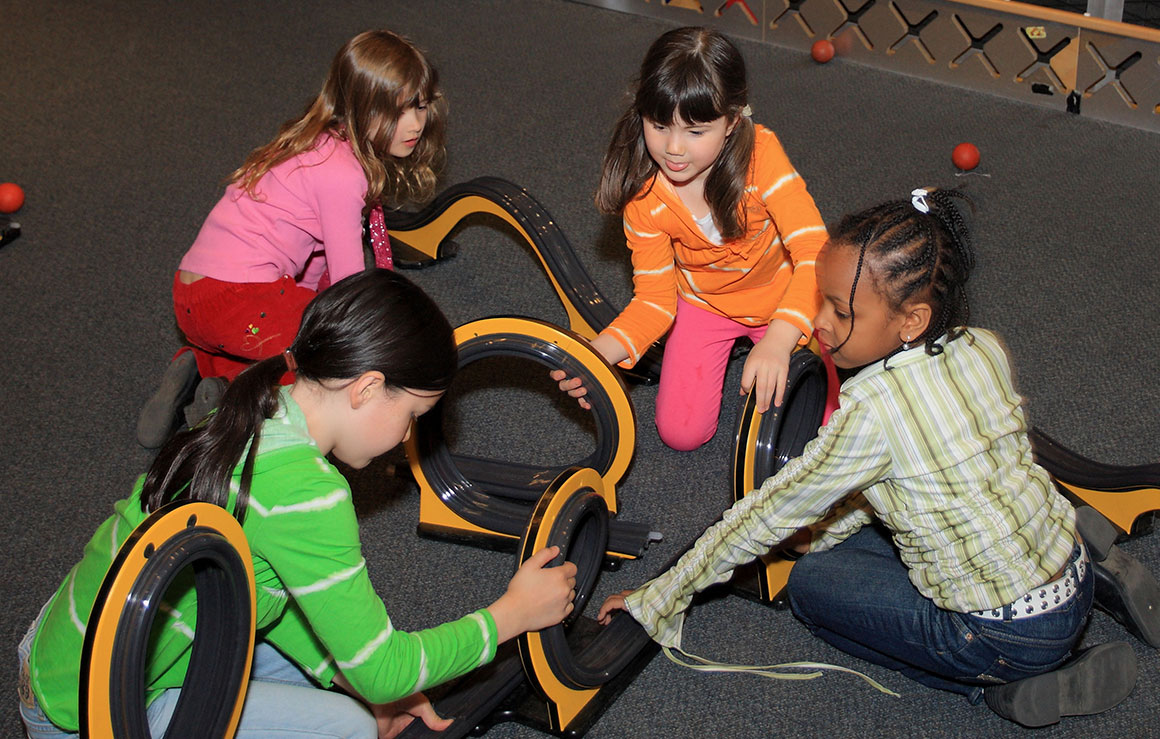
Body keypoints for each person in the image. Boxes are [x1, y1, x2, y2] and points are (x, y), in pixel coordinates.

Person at [597, 188, 1144, 727]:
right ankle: (1097, 566)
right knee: (859, 534)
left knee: (811, 589)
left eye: (840, 310)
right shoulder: (982, 345)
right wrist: (829, 530)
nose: (820, 323)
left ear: (911, 320)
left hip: (1006, 637)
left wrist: (658, 599)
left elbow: (764, 515)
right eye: (819, 301)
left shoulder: (871, 410)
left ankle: (1003, 690)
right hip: (1064, 564)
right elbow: (929, 475)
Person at [20, 270, 578, 738]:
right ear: (365, 389)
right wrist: (510, 615)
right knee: (352, 728)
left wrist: (345, 677)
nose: (411, 437)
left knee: (347, 684)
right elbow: (386, 670)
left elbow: (267, 592)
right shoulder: (307, 493)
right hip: (90, 712)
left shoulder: (252, 412)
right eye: (412, 416)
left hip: (69, 648)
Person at [137, 28, 447, 448]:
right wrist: (379, 343)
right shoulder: (343, 175)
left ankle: (199, 364)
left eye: (421, 106)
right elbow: (348, 287)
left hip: (193, 295)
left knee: (280, 325)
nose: (414, 124)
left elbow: (314, 257)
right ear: (357, 108)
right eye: (396, 112)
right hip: (238, 297)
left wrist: (302, 306)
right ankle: (229, 403)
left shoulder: (315, 143)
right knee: (315, 365)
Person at [552, 27, 827, 452]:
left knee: (825, 423)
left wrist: (780, 337)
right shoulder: (643, 197)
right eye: (659, 125)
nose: (674, 148)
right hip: (705, 304)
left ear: (733, 121)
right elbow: (654, 302)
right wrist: (599, 353)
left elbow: (814, 251)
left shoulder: (763, 156)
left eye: (696, 131)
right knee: (681, 434)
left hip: (780, 297)